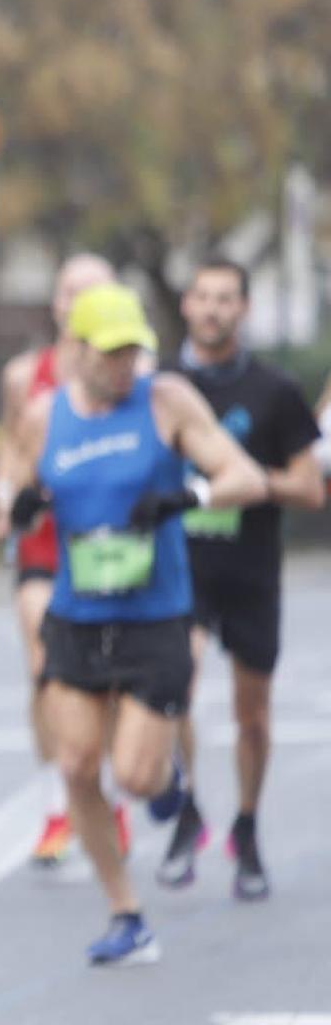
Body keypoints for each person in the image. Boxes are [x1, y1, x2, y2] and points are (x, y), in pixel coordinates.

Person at [4, 283, 266, 963]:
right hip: (76, 615)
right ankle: (125, 909)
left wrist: (187, 495)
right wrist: (22, 504)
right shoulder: (44, 414)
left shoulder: (165, 400)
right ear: (79, 350)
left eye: (132, 351)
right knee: (76, 763)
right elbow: (8, 489)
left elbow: (245, 476)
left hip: (155, 616)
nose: (125, 365)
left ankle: (170, 778)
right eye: (112, 352)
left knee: (139, 777)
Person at [155, 259, 323, 896]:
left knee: (252, 714)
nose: (212, 309)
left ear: (244, 309)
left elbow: (309, 488)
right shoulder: (162, 389)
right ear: (188, 306)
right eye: (202, 297)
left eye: (226, 299)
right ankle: (188, 810)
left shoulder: (274, 391)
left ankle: (247, 828)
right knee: (176, 684)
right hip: (181, 568)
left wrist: (241, 485)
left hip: (251, 570)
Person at [0, 253, 122, 867]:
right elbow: (12, 454)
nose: (79, 303)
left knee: (115, 674)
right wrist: (2, 503)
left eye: (94, 292)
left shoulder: (138, 376)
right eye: (70, 291)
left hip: (113, 549)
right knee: (44, 664)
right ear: (55, 303)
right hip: (45, 545)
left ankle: (113, 794)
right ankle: (55, 807)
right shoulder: (27, 377)